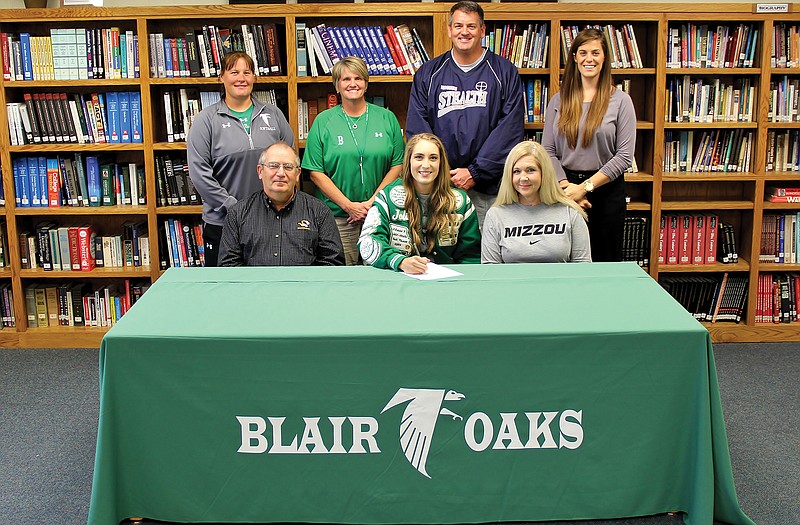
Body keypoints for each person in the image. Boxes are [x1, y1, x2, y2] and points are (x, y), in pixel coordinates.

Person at [405, 0, 525, 229]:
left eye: (471, 26)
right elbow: (418, 132)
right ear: (449, 29)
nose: (464, 32)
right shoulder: (428, 73)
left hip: (489, 189)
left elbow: (510, 130)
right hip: (439, 187)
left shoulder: (504, 71)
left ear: (482, 30)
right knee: (439, 253)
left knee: (487, 256)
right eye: (458, 26)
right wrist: (441, 172)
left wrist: (474, 172)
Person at [188, 51, 294, 267]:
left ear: (254, 77)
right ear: (222, 77)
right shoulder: (206, 120)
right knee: (223, 291)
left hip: (271, 219)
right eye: (234, 72)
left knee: (267, 287)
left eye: (247, 72)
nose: (241, 78)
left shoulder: (273, 115)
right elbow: (199, 174)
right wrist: (233, 207)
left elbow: (290, 162)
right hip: (223, 222)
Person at [542, 28, 636, 262]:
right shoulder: (559, 99)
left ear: (604, 58)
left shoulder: (621, 101)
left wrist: (584, 188)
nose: (589, 59)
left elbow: (624, 156)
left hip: (605, 191)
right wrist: (568, 189)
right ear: (574, 57)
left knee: (605, 262)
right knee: (565, 260)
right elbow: (548, 151)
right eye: (582, 52)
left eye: (595, 52)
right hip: (564, 190)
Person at [302, 56, 404, 265]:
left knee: (381, 273)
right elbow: (315, 172)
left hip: (380, 215)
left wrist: (373, 203)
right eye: (345, 79)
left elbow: (398, 165)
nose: (352, 84)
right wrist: (349, 206)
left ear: (366, 84)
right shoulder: (323, 121)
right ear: (337, 85)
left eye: (358, 78)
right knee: (343, 277)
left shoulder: (387, 118)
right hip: (339, 217)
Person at [358, 133, 481, 274]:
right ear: (408, 160)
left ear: (441, 163)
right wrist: (399, 261)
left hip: (445, 282)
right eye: (419, 157)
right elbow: (367, 243)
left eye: (433, 158)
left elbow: (471, 256)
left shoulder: (460, 202)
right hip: (398, 277)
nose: (426, 165)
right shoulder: (387, 197)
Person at [218, 142, 344, 267]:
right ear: (260, 171)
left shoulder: (319, 212)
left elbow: (332, 262)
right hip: (255, 287)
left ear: (298, 174)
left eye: (288, 167)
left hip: (304, 287)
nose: (281, 173)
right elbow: (228, 265)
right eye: (273, 166)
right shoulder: (237, 213)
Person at [481, 141, 591, 264]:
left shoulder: (570, 212)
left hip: (560, 283)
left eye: (530, 170)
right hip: (512, 283)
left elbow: (583, 266)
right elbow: (490, 268)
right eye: (516, 171)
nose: (523, 177)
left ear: (544, 173)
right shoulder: (496, 215)